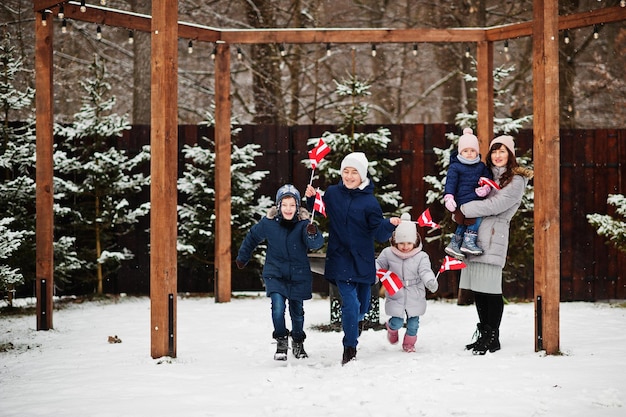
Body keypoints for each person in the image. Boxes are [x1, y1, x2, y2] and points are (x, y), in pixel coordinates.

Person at [305, 152, 401, 365]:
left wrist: (388, 224)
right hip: (340, 258)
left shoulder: (370, 202)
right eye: (345, 172)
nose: (349, 176)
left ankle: (357, 322)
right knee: (350, 303)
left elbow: (378, 233)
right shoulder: (332, 193)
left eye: (354, 172)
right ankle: (350, 347)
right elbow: (319, 210)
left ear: (362, 175)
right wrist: (312, 197)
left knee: (363, 306)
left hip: (363, 261)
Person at [454, 135, 533, 355]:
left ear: (510, 154)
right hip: (475, 235)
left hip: (494, 234)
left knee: (491, 290)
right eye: (494, 151)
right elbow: (466, 195)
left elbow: (496, 204)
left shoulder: (516, 180)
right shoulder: (484, 174)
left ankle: (492, 336)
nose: (498, 156)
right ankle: (484, 334)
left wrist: (464, 211)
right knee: (479, 289)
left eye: (503, 151)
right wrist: (458, 212)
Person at [236, 184, 324, 361]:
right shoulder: (268, 223)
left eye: (292, 205)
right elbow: (252, 237)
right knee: (277, 308)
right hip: (275, 273)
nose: (288, 209)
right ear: (278, 206)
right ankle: (281, 340)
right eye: (284, 205)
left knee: (297, 311)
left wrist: (313, 233)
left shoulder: (304, 224)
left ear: (298, 206)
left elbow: (315, 245)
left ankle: (298, 341)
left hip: (298, 275)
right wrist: (243, 256)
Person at [375, 213, 439, 353]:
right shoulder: (388, 253)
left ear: (415, 242)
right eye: (401, 243)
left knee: (413, 323)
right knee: (397, 321)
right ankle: (391, 328)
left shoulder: (421, 256)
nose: (405, 247)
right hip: (396, 290)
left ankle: (409, 344)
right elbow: (379, 264)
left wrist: (429, 280)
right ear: (395, 241)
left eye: (409, 243)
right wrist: (374, 273)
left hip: (415, 291)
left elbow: (425, 270)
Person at [443, 127, 492, 259]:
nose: (469, 153)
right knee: (473, 218)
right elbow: (450, 183)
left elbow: (487, 179)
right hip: (461, 199)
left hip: (476, 197)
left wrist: (485, 189)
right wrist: (449, 198)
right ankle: (469, 241)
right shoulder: (455, 166)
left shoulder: (481, 166)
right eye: (465, 151)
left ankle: (456, 242)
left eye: (472, 151)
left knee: (466, 221)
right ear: (460, 152)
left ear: (477, 152)